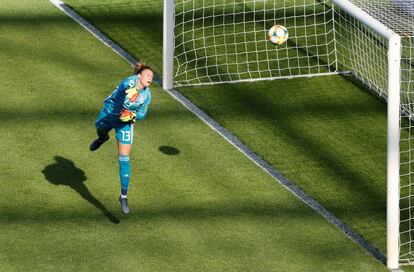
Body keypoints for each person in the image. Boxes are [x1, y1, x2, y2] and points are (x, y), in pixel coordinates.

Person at [89, 62, 153, 214]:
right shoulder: (128, 82)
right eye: (148, 75)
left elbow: (143, 112)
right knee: (100, 130)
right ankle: (102, 139)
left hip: (125, 122)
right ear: (139, 75)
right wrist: (128, 96)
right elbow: (121, 94)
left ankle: (123, 196)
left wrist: (133, 115)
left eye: (152, 76)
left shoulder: (147, 95)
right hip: (110, 113)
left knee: (124, 158)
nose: (150, 78)